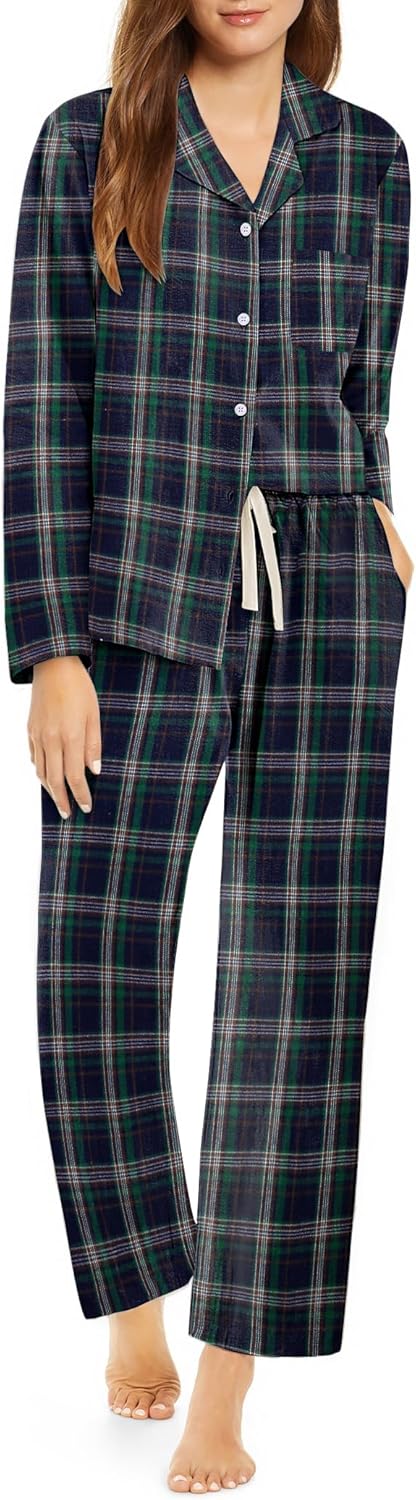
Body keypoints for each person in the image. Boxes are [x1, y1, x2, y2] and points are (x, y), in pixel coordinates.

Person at [2, 0, 414, 1492]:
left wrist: (377, 498)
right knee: (94, 965)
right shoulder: (85, 143)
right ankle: (133, 1299)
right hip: (133, 597)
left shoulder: (370, 157)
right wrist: (50, 647)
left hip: (332, 587)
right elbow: (38, 403)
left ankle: (228, 1382)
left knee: (297, 990)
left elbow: (362, 375)